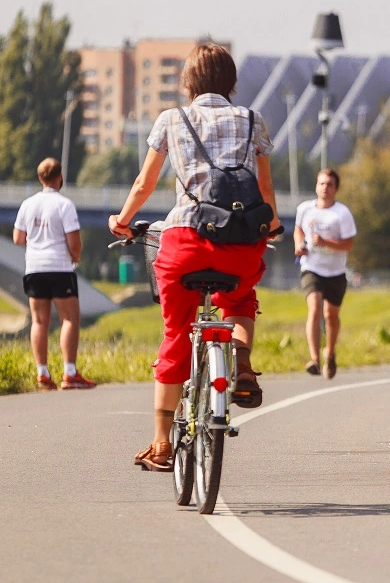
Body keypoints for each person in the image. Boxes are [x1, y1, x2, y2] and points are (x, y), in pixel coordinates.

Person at [109, 42, 279, 472]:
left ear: (188, 82)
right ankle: (242, 363)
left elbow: (144, 184)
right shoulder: (252, 120)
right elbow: (265, 190)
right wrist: (272, 225)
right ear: (231, 83)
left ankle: (161, 444)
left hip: (184, 242)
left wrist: (122, 221)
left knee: (176, 333)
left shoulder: (172, 119)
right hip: (241, 242)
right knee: (240, 299)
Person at [13, 158, 95, 391]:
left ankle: (42, 373)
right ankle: (69, 372)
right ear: (60, 177)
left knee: (39, 321)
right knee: (69, 319)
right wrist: (75, 256)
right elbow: (74, 241)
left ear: (40, 178)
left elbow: (18, 238)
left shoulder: (27, 204)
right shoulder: (64, 205)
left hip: (35, 268)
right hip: (59, 267)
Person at [294, 169, 356, 380]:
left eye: (329, 184)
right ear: (316, 186)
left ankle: (329, 352)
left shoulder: (342, 213)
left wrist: (326, 242)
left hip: (336, 272)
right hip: (312, 268)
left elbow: (348, 244)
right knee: (314, 308)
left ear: (336, 188)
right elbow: (298, 230)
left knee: (331, 316)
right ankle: (314, 358)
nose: (325, 188)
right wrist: (298, 244)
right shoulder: (305, 209)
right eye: (321, 183)